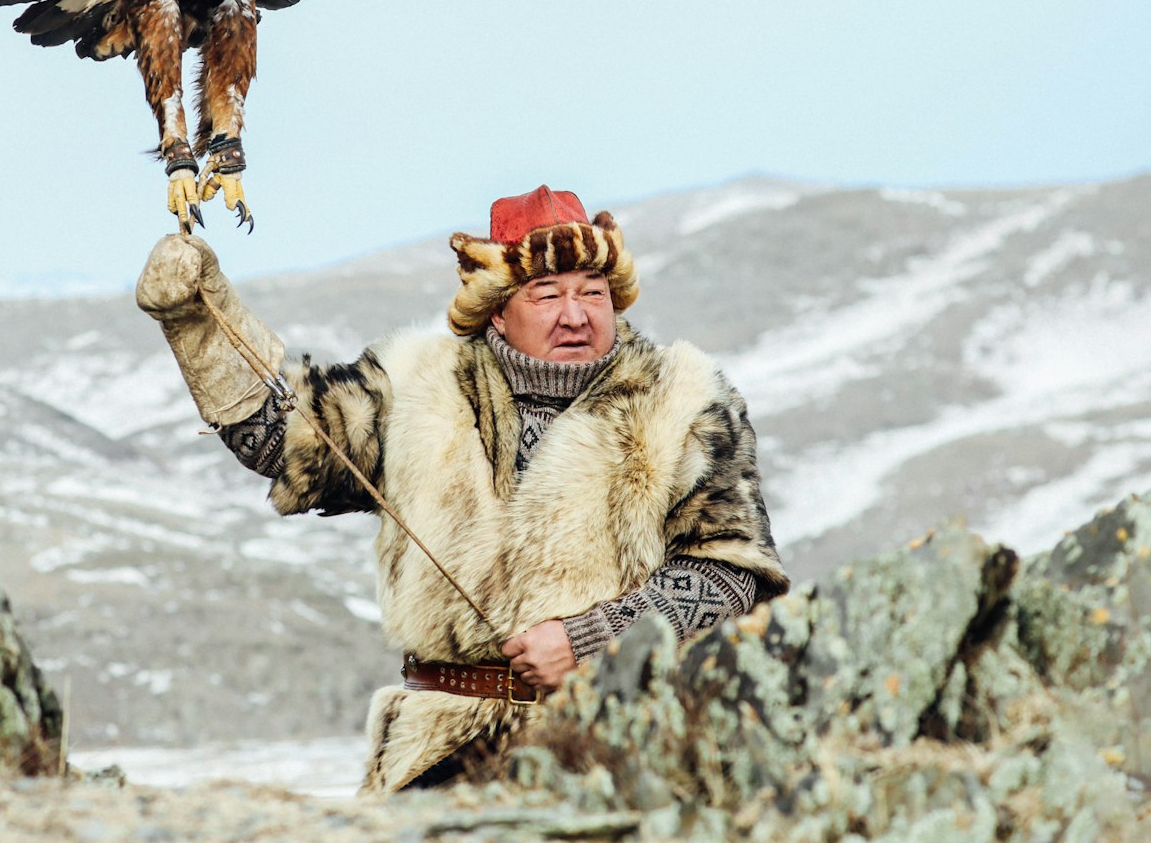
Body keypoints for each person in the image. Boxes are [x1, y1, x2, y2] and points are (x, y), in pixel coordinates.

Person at [135, 186, 788, 794]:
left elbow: (732, 576)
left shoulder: (689, 400)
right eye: (547, 294)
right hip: (433, 753)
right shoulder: (413, 384)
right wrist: (197, 324)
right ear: (498, 311)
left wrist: (593, 639)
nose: (575, 316)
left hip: (624, 745)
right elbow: (285, 446)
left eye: (593, 292)